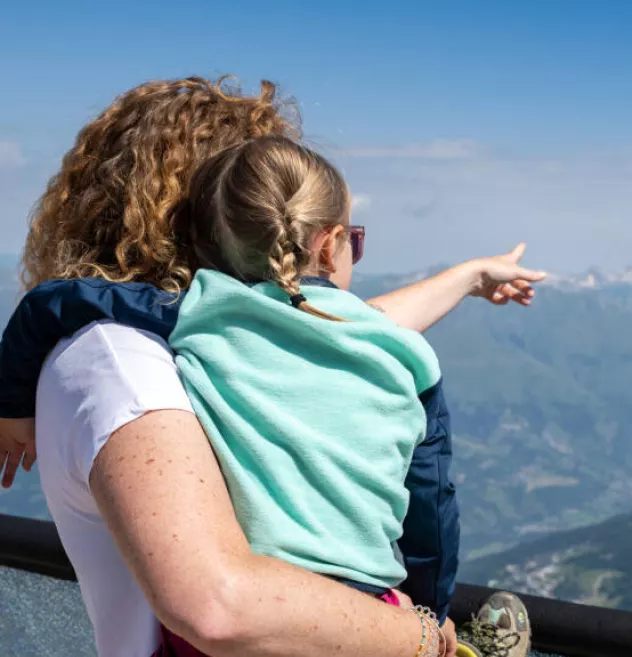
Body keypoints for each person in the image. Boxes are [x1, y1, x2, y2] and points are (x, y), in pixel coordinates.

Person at [0, 76, 536, 657]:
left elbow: (58, 299)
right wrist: (426, 625)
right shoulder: (120, 362)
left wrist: (467, 278)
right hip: (339, 610)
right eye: (354, 241)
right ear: (327, 246)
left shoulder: (197, 315)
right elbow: (429, 497)